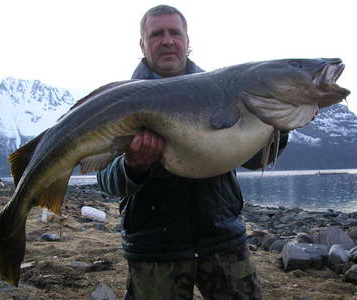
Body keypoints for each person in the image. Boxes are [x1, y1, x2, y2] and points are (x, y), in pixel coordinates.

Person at [97, 5, 288, 300]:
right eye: (157, 34)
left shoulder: (225, 91)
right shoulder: (119, 103)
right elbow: (107, 182)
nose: (167, 40)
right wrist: (133, 165)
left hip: (223, 239)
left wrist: (280, 126)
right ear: (142, 44)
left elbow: (253, 159)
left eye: (175, 32)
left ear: (187, 39)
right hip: (155, 251)